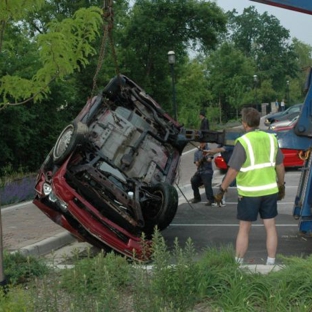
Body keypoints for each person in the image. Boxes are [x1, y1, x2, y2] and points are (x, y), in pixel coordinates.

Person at [214, 107, 285, 265]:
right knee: (270, 227)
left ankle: (238, 264)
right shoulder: (271, 139)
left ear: (244, 123)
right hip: (269, 191)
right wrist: (281, 185)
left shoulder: (243, 141)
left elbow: (233, 170)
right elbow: (280, 166)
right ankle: (271, 263)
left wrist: (222, 189)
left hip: (249, 194)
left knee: (244, 229)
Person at [190, 142, 216, 206]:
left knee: (207, 184)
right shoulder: (196, 152)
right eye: (201, 143)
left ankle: (211, 200)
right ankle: (197, 198)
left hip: (207, 171)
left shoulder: (209, 150)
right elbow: (196, 163)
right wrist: (200, 161)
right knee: (193, 181)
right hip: (200, 171)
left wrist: (206, 157)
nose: (202, 144)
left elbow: (210, 159)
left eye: (203, 143)